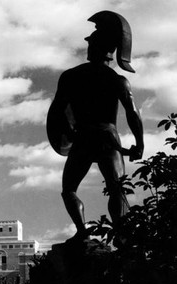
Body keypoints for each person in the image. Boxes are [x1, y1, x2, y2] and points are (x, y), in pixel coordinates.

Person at [47, 10, 144, 244]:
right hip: (107, 138)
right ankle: (121, 235)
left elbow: (58, 111)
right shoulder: (117, 80)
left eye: (91, 42)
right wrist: (139, 143)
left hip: (82, 137)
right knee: (117, 188)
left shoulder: (71, 77)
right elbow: (132, 114)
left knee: (69, 189)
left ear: (95, 48)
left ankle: (82, 231)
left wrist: (71, 134)